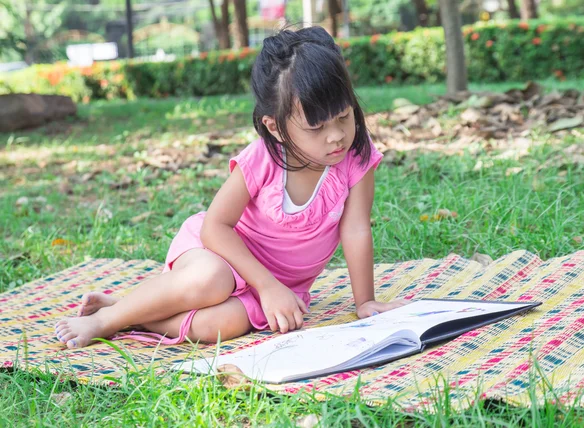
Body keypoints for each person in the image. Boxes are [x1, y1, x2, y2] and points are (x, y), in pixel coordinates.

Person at [54, 26, 407, 349]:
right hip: (220, 255)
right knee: (211, 281)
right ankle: (106, 319)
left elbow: (357, 227)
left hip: (281, 286)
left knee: (216, 326)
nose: (336, 136)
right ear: (276, 127)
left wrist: (365, 302)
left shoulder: (356, 155)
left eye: (344, 117)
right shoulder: (262, 159)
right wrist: (266, 286)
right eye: (316, 128)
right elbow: (215, 227)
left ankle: (133, 310)